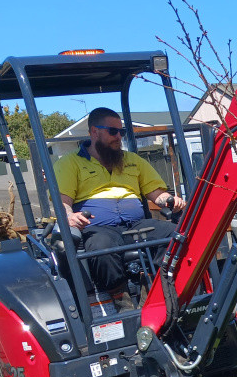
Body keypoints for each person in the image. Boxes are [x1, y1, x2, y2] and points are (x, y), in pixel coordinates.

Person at [53, 107, 185, 295]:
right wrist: (68, 216)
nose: (119, 137)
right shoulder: (70, 163)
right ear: (94, 132)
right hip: (98, 228)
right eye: (113, 131)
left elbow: (156, 194)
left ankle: (159, 287)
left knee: (176, 235)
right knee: (100, 248)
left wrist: (169, 200)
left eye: (121, 132)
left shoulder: (133, 160)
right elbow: (62, 201)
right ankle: (120, 297)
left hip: (137, 225)